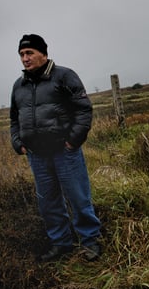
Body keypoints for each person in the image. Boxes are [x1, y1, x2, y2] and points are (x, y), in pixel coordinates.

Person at [10, 34, 101, 262]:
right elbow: (14, 118)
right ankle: (61, 243)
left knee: (78, 197)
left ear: (43, 53)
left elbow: (83, 110)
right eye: (21, 54)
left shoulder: (64, 76)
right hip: (37, 155)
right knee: (48, 202)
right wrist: (17, 142)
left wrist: (72, 141)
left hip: (65, 151)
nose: (25, 58)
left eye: (29, 53)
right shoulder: (19, 86)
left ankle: (90, 241)